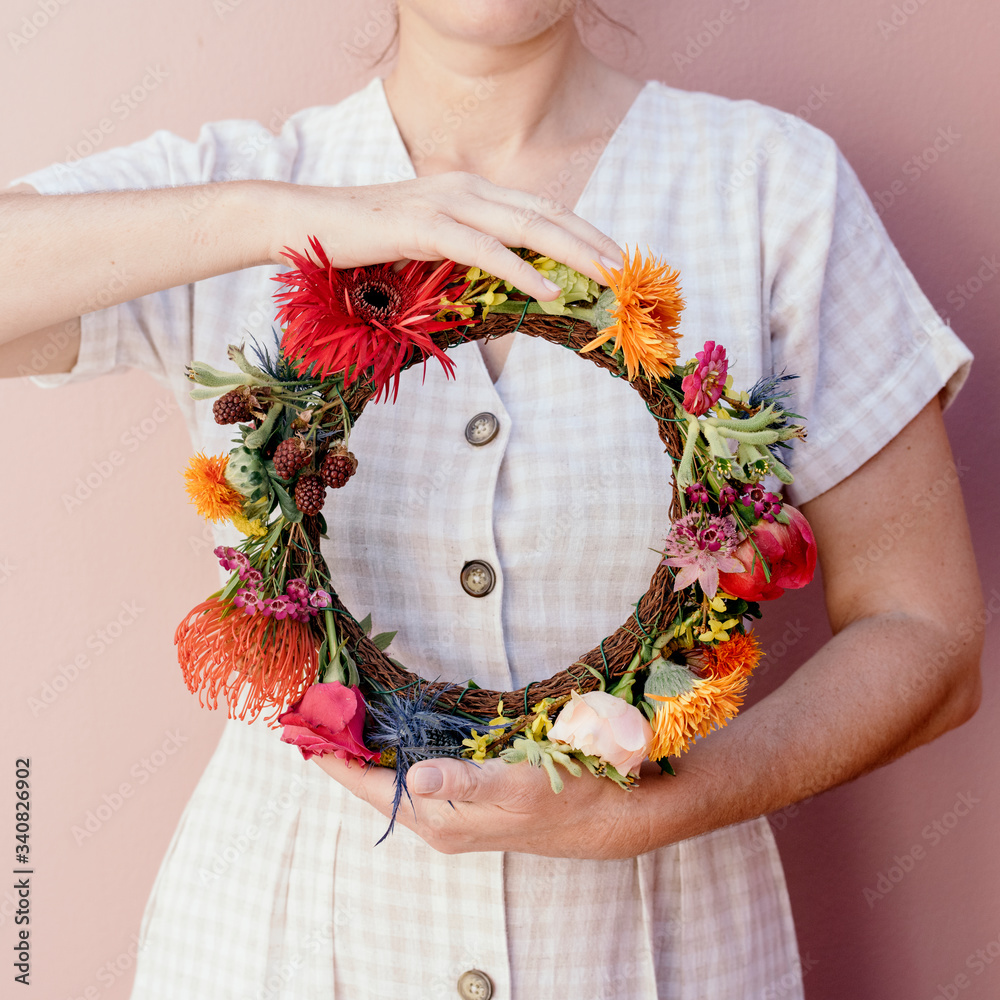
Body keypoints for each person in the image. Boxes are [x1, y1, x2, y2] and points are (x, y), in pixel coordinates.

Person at [0, 2, 983, 997]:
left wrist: (659, 805)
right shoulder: (238, 181)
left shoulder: (770, 186)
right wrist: (285, 219)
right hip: (284, 947)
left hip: (651, 953)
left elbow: (925, 632)